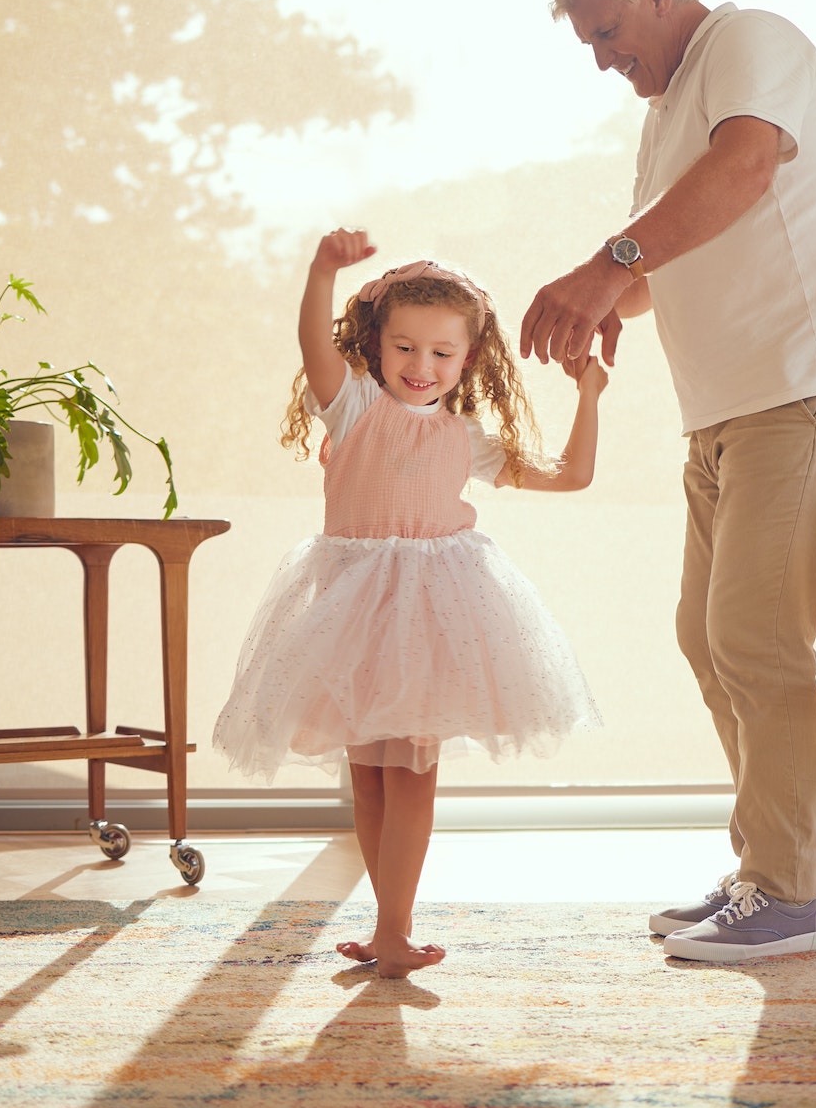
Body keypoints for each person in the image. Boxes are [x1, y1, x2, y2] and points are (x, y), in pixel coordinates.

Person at [523, 0, 816, 962]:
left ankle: (786, 893)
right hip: (730, 412)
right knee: (706, 636)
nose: (603, 59)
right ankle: (763, 871)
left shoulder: (747, 40)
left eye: (606, 33)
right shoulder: (665, 112)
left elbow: (742, 171)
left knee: (754, 636)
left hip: (806, 385)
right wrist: (619, 293)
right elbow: (682, 246)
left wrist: (606, 264)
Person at [214, 227, 607, 978]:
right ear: (374, 343)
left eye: (440, 353)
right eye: (404, 347)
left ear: (468, 360)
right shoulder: (353, 406)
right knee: (365, 773)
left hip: (432, 621)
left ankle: (394, 926)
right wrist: (322, 272)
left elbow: (572, 475)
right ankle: (386, 925)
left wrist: (589, 396)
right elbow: (309, 344)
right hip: (354, 617)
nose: (420, 367)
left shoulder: (467, 438)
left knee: (410, 774)